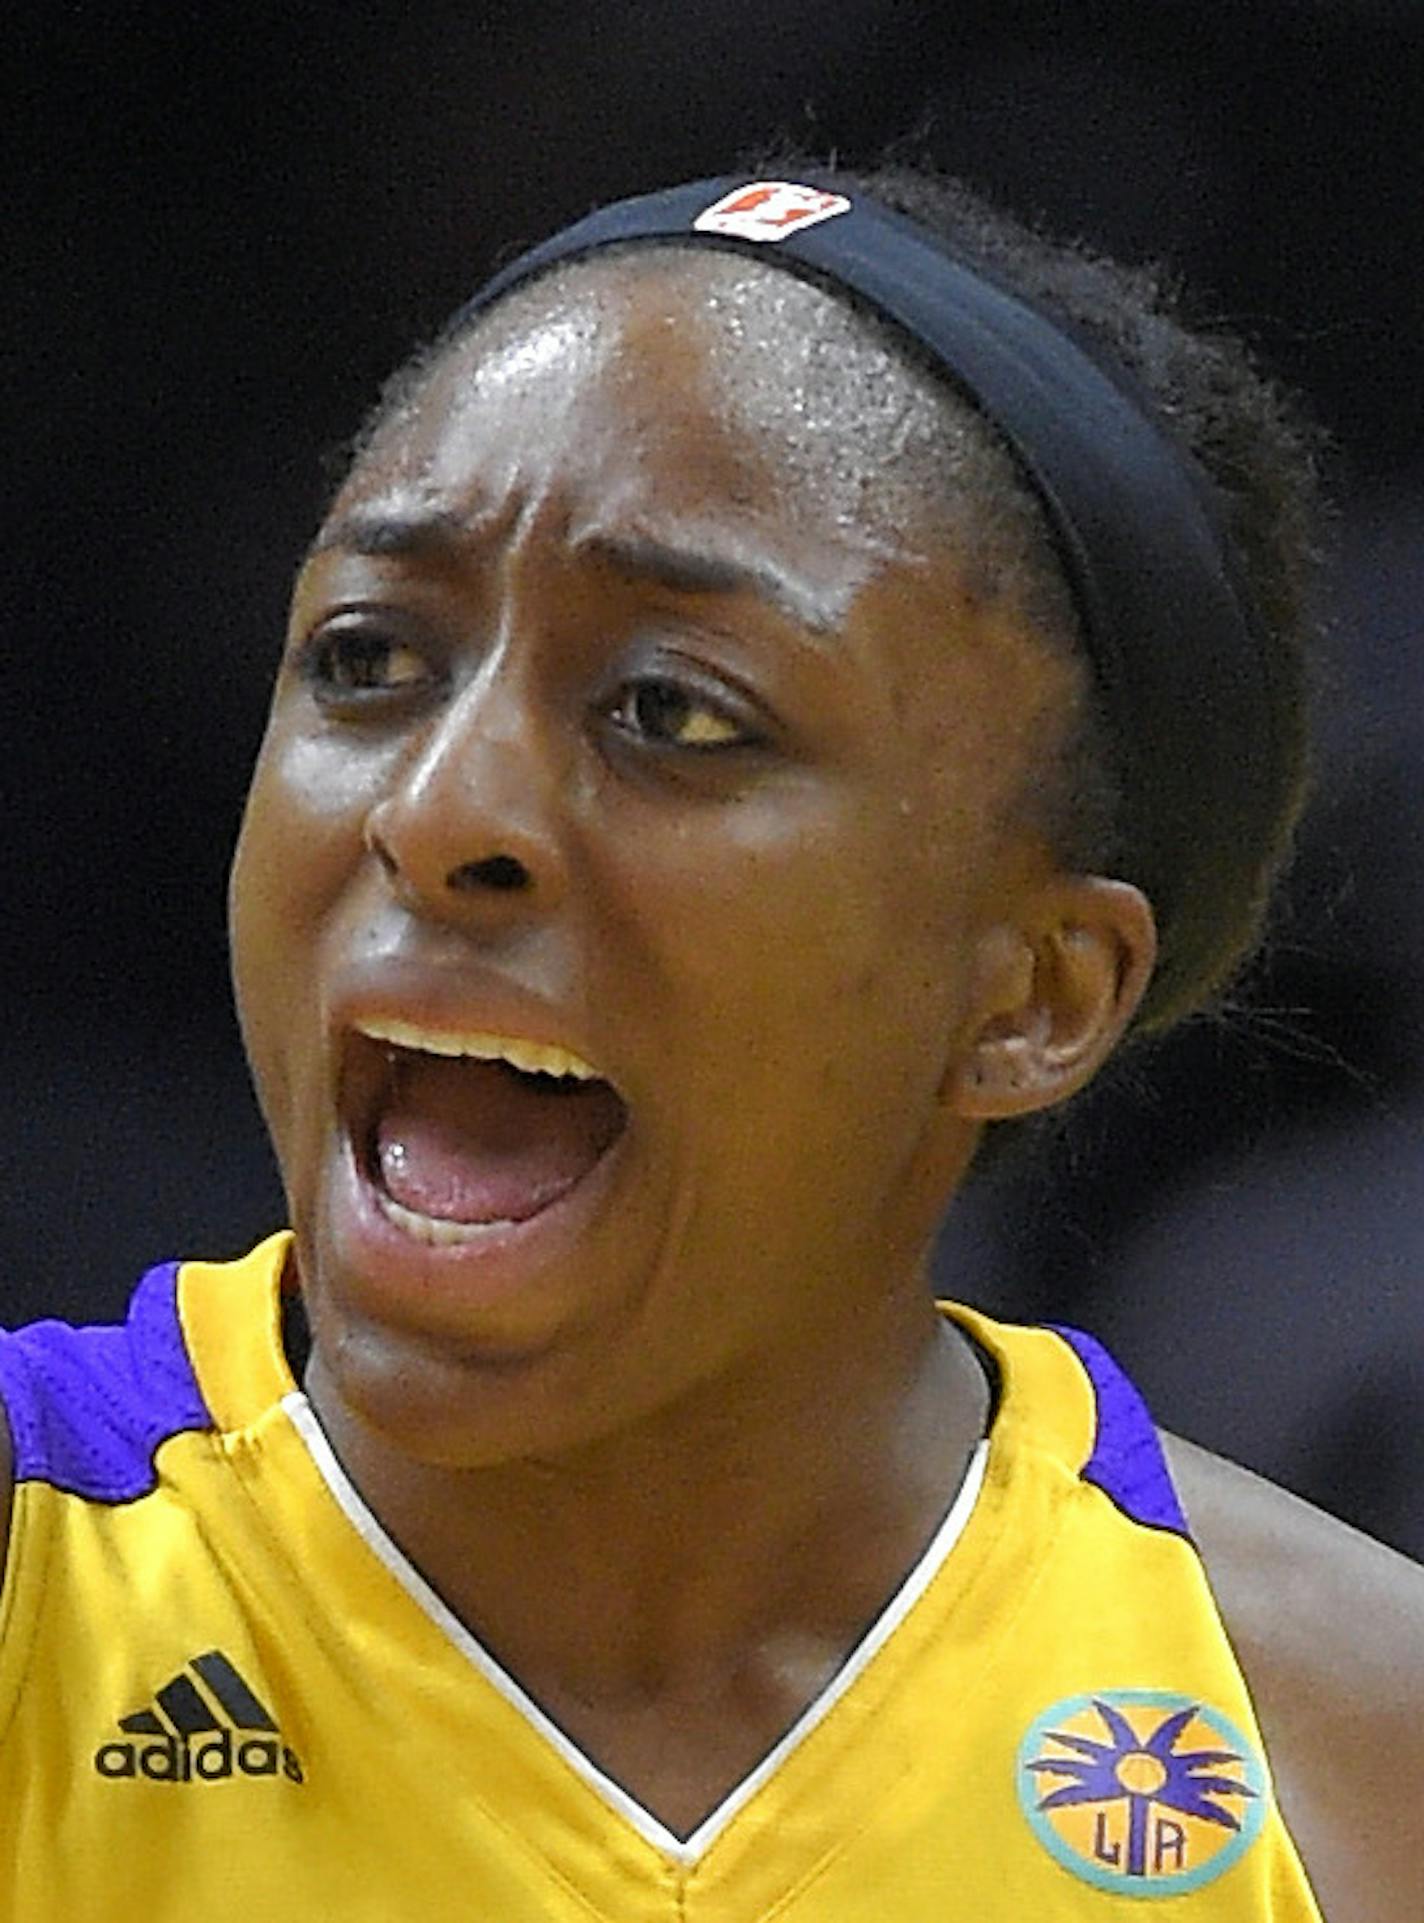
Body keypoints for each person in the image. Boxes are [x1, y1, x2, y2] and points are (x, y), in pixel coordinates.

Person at [1, 162, 1419, 1922]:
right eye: (368, 659)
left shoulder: (1358, 1767)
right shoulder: (40, 1578)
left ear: (1038, 995)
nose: (443, 810)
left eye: (675, 710)